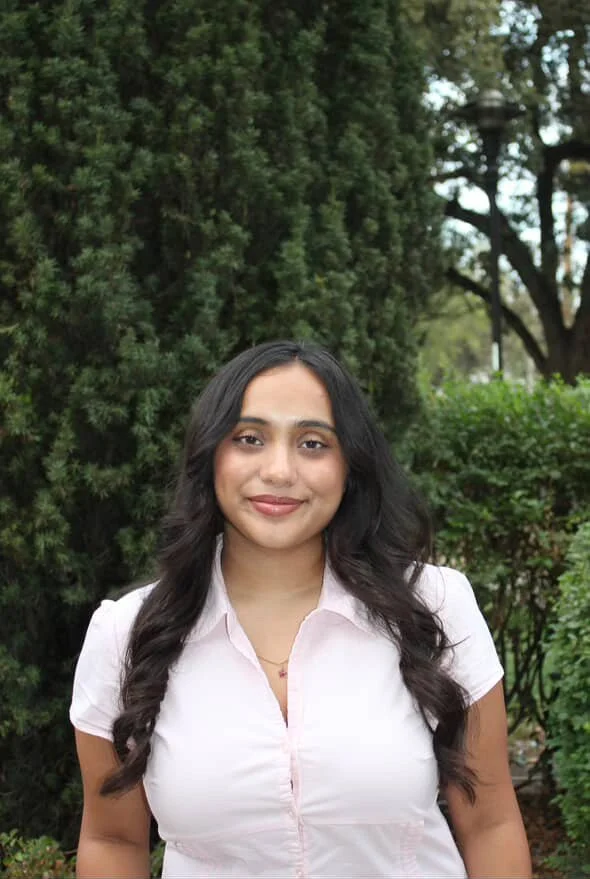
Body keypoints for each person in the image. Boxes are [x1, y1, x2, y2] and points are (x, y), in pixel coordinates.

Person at [70, 339, 531, 879]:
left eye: (313, 443)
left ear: (349, 466)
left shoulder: (434, 608)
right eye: (249, 438)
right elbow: (112, 838)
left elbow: (491, 824)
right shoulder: (127, 635)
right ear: (209, 455)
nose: (280, 470)